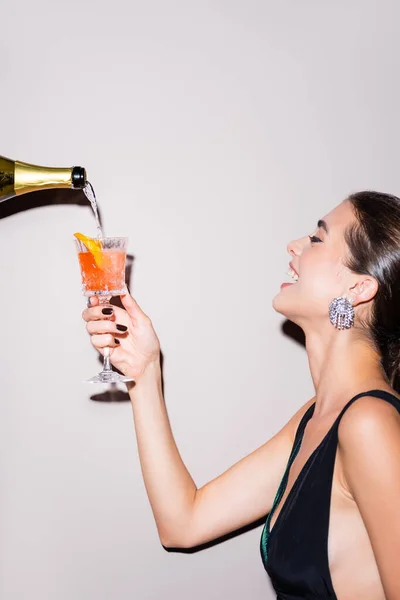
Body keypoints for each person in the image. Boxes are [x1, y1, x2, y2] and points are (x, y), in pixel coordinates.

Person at [82, 191, 400, 600]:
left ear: (359, 288)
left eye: (318, 239)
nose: (295, 245)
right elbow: (183, 523)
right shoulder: (315, 419)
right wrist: (144, 371)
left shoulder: (369, 423)